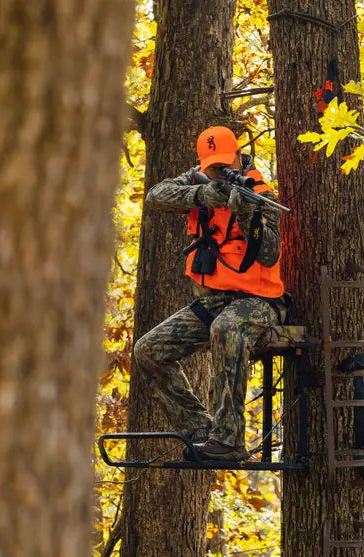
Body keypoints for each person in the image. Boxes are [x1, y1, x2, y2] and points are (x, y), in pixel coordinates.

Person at [133, 125, 286, 461]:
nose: (219, 170)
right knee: (148, 350)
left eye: (223, 165)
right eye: (212, 166)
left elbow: (269, 254)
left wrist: (245, 214)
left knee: (227, 327)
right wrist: (203, 195)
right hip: (214, 301)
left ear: (237, 155)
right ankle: (201, 432)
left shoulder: (259, 191)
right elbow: (155, 196)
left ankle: (229, 442)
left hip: (261, 303)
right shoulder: (199, 180)